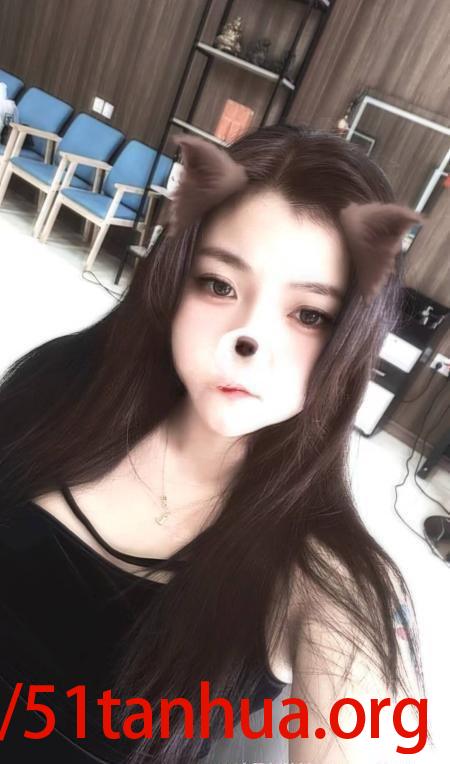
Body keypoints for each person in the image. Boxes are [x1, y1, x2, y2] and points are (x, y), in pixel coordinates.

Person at [0, 123, 431, 763]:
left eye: (309, 314)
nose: (247, 339)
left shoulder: (329, 579)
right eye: (220, 285)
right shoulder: (59, 383)